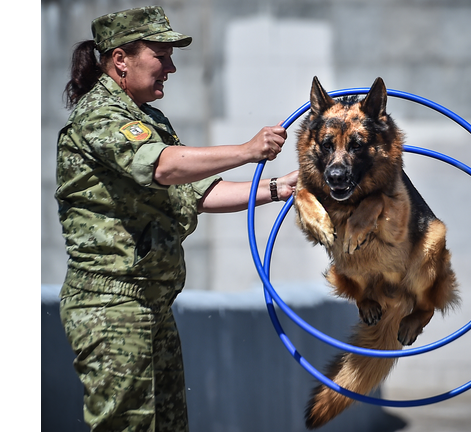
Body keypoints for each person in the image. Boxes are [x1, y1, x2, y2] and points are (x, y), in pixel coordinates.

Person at [55, 6, 297, 432]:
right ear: (120, 60)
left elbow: (197, 192)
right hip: (112, 305)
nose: (170, 67)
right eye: (160, 56)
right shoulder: (101, 115)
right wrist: (247, 149)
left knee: (167, 426)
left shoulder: (146, 119)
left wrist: (279, 188)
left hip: (149, 301)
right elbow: (163, 167)